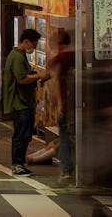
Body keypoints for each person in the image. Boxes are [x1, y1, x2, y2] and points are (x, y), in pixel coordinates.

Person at [3, 28, 48, 176]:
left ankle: (20, 163)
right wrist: (40, 75)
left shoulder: (19, 55)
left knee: (25, 134)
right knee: (21, 134)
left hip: (24, 102)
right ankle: (17, 164)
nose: (34, 48)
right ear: (26, 41)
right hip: (20, 102)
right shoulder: (16, 57)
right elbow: (22, 79)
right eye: (34, 44)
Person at [47, 29, 75, 183]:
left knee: (64, 138)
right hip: (78, 104)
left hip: (65, 104)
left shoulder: (59, 58)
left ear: (57, 43)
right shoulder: (77, 56)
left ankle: (66, 170)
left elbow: (56, 80)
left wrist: (59, 104)